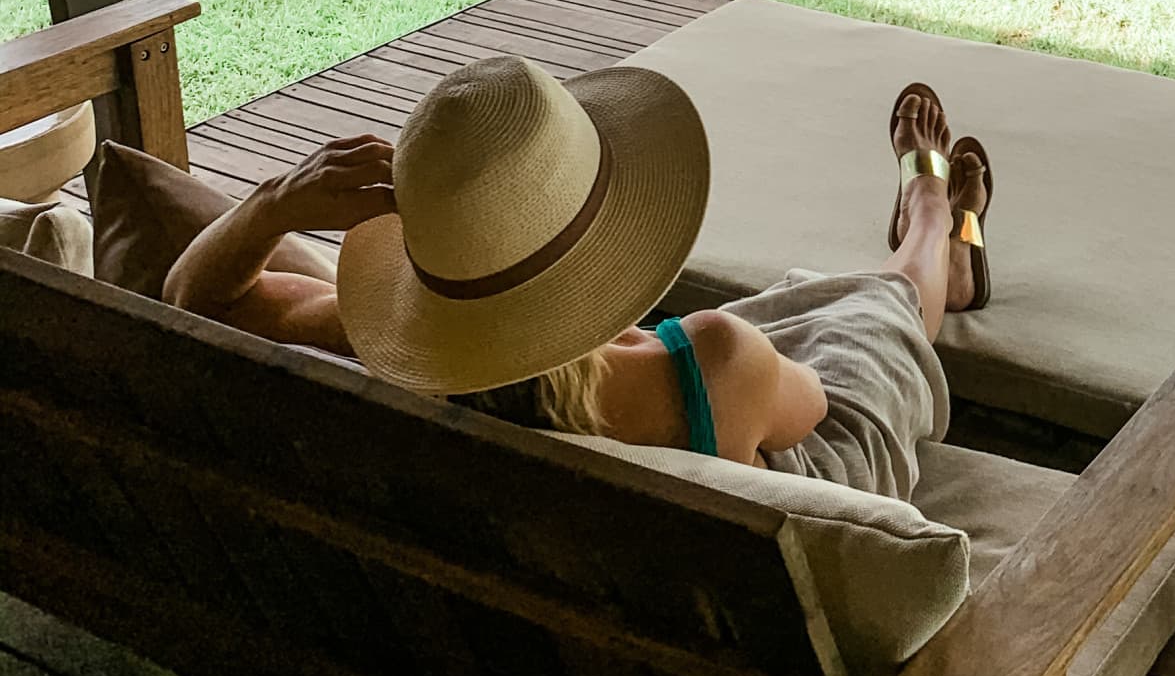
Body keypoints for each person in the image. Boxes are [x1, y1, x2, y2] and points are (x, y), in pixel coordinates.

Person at [162, 56, 992, 501]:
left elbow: (191, 300)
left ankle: (924, 234)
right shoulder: (712, 359)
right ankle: (932, 219)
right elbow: (813, 406)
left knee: (802, 306)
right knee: (876, 313)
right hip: (812, 457)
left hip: (704, 422)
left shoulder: (380, 364)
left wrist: (274, 204)